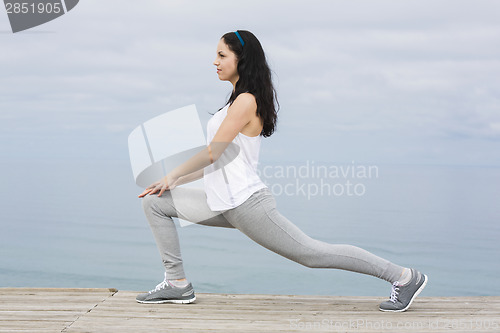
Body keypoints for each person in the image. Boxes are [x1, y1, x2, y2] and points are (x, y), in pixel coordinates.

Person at [135, 30, 427, 312]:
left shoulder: (246, 101)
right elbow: (218, 161)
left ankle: (403, 277)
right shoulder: (233, 103)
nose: (215, 61)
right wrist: (172, 182)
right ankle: (177, 283)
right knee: (155, 201)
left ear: (242, 59)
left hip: (247, 205)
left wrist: (172, 174)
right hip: (221, 203)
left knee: (313, 254)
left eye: (222, 55)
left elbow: (212, 153)